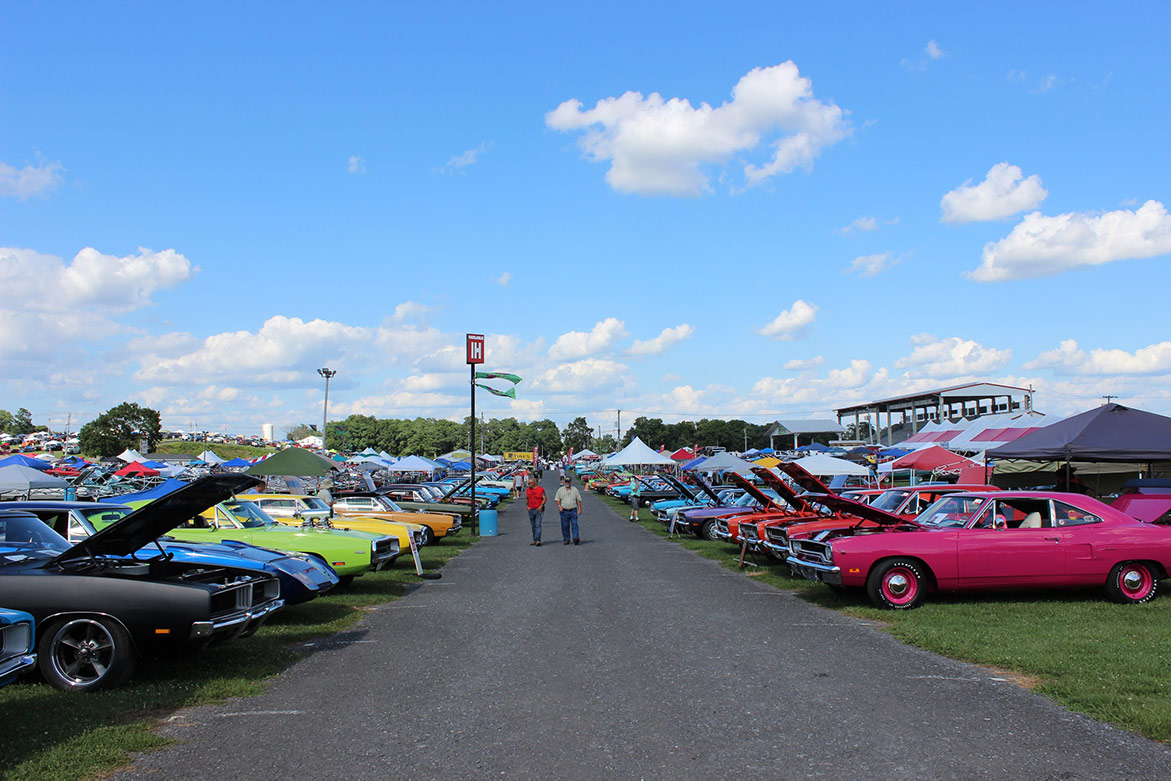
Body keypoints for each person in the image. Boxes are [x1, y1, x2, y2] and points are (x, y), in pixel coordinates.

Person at [554, 474, 583, 545]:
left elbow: (578, 500)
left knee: (574, 524)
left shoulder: (575, 489)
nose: (567, 483)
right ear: (564, 482)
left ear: (570, 482)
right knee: (565, 526)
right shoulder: (560, 490)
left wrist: (580, 509)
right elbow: (557, 499)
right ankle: (566, 539)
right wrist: (559, 506)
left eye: (568, 482)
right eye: (566, 482)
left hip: (573, 510)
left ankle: (576, 538)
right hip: (564, 510)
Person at [525, 474, 546, 546]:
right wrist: (527, 506)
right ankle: (534, 539)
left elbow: (544, 498)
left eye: (530, 483)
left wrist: (541, 506)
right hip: (531, 509)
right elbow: (527, 498)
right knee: (533, 526)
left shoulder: (540, 489)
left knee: (538, 525)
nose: (528, 485)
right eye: (528, 483)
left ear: (534, 483)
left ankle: (538, 540)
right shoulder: (528, 490)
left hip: (538, 509)